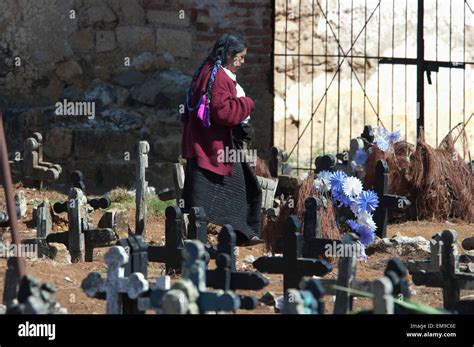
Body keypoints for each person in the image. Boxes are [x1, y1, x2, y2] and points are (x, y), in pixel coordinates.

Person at [181, 33, 263, 246]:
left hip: (206, 143)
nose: (243, 62)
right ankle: (243, 234)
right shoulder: (218, 77)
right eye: (241, 57)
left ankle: (236, 233)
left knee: (205, 189)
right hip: (214, 145)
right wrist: (248, 103)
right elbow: (222, 113)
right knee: (243, 188)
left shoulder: (208, 69)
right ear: (229, 54)